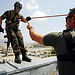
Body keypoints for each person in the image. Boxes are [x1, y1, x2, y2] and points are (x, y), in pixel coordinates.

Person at [26, 7, 75, 75]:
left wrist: (30, 27)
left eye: (66, 19)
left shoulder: (59, 38)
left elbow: (34, 36)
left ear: (73, 19)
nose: (65, 24)